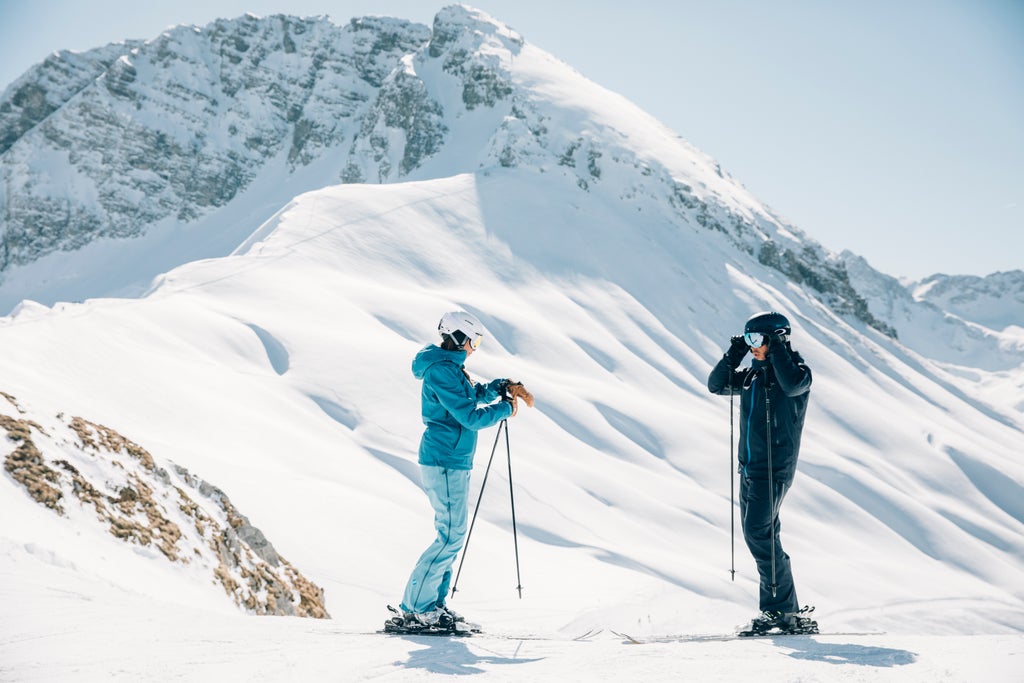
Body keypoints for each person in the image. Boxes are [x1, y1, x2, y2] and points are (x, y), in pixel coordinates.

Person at [397, 310, 533, 630]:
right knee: (450, 536)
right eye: (475, 340)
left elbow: (469, 395)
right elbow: (469, 417)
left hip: (452, 460)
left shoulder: (449, 368)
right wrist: (504, 409)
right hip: (444, 460)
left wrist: (501, 387)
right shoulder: (442, 372)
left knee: (452, 536)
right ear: (459, 337)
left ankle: (433, 603)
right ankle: (419, 607)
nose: (476, 346)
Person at [707, 310, 818, 635]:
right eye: (748, 338)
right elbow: (716, 385)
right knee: (765, 536)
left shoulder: (796, 376)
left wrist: (778, 349)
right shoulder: (752, 378)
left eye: (757, 339)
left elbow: (793, 385)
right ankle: (787, 612)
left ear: (776, 339)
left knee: (759, 534)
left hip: (774, 470)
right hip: (749, 469)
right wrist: (736, 350)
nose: (752, 345)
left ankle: (778, 612)